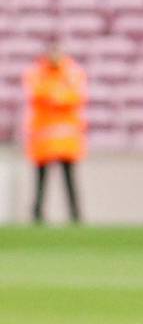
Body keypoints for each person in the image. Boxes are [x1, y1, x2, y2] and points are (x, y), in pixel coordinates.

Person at [24, 43, 87, 223]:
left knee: (69, 179)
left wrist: (54, 95)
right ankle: (37, 214)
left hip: (66, 140)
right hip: (43, 140)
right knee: (41, 180)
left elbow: (75, 96)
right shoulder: (38, 72)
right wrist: (58, 95)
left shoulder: (72, 72)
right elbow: (36, 93)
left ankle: (75, 215)